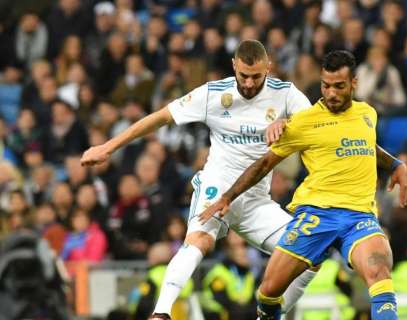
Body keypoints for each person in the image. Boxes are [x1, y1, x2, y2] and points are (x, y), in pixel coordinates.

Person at [80, 40, 317, 319]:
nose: (250, 84)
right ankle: (161, 313)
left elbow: (318, 126)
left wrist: (288, 124)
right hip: (216, 190)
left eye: (257, 76)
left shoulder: (285, 94)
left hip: (255, 201)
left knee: (309, 253)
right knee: (199, 241)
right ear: (234, 67)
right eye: (244, 76)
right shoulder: (213, 94)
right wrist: (108, 147)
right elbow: (160, 117)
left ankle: (268, 316)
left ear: (268, 68)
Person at [199, 50, 407, 320]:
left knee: (380, 273)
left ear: (353, 84)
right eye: (326, 85)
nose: (331, 93)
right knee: (268, 291)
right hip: (315, 215)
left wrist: (394, 164)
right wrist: (228, 197)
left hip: (359, 217)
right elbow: (264, 164)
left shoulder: (367, 114)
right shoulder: (304, 122)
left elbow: (367, 143)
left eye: (339, 86)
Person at [201, 231, 257, 320]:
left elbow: (253, 299)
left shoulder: (247, 274)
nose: (245, 258)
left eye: (245, 255)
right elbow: (220, 298)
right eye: (241, 256)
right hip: (218, 315)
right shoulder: (219, 272)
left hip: (240, 312)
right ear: (232, 255)